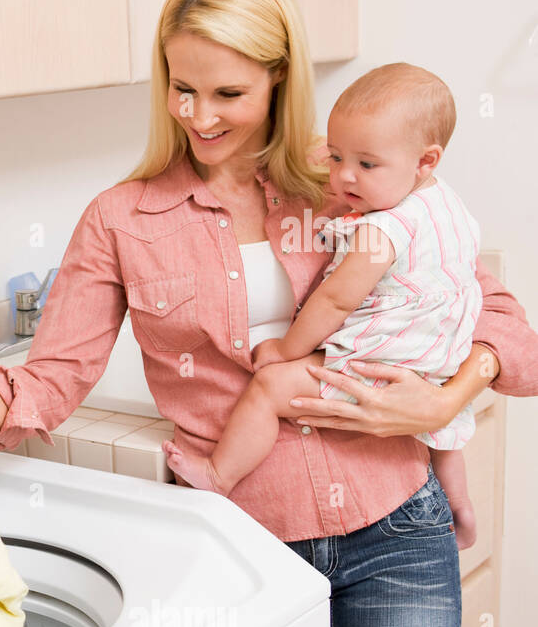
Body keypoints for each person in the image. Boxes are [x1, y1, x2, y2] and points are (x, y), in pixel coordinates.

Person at [0, 0, 538, 627]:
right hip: (242, 547)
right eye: (182, 88)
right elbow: (50, 380)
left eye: (227, 93)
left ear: (279, 77)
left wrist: (449, 395)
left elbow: (505, 322)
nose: (198, 114)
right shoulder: (122, 218)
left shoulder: (348, 180)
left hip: (398, 530)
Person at [164, 63, 483, 550]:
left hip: (380, 367)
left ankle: (217, 475)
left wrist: (286, 349)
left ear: (426, 160)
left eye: (366, 165)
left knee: (269, 387)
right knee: (440, 435)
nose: (343, 176)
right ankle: (460, 510)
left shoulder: (383, 228)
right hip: (435, 363)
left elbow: (335, 299)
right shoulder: (451, 208)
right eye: (335, 157)